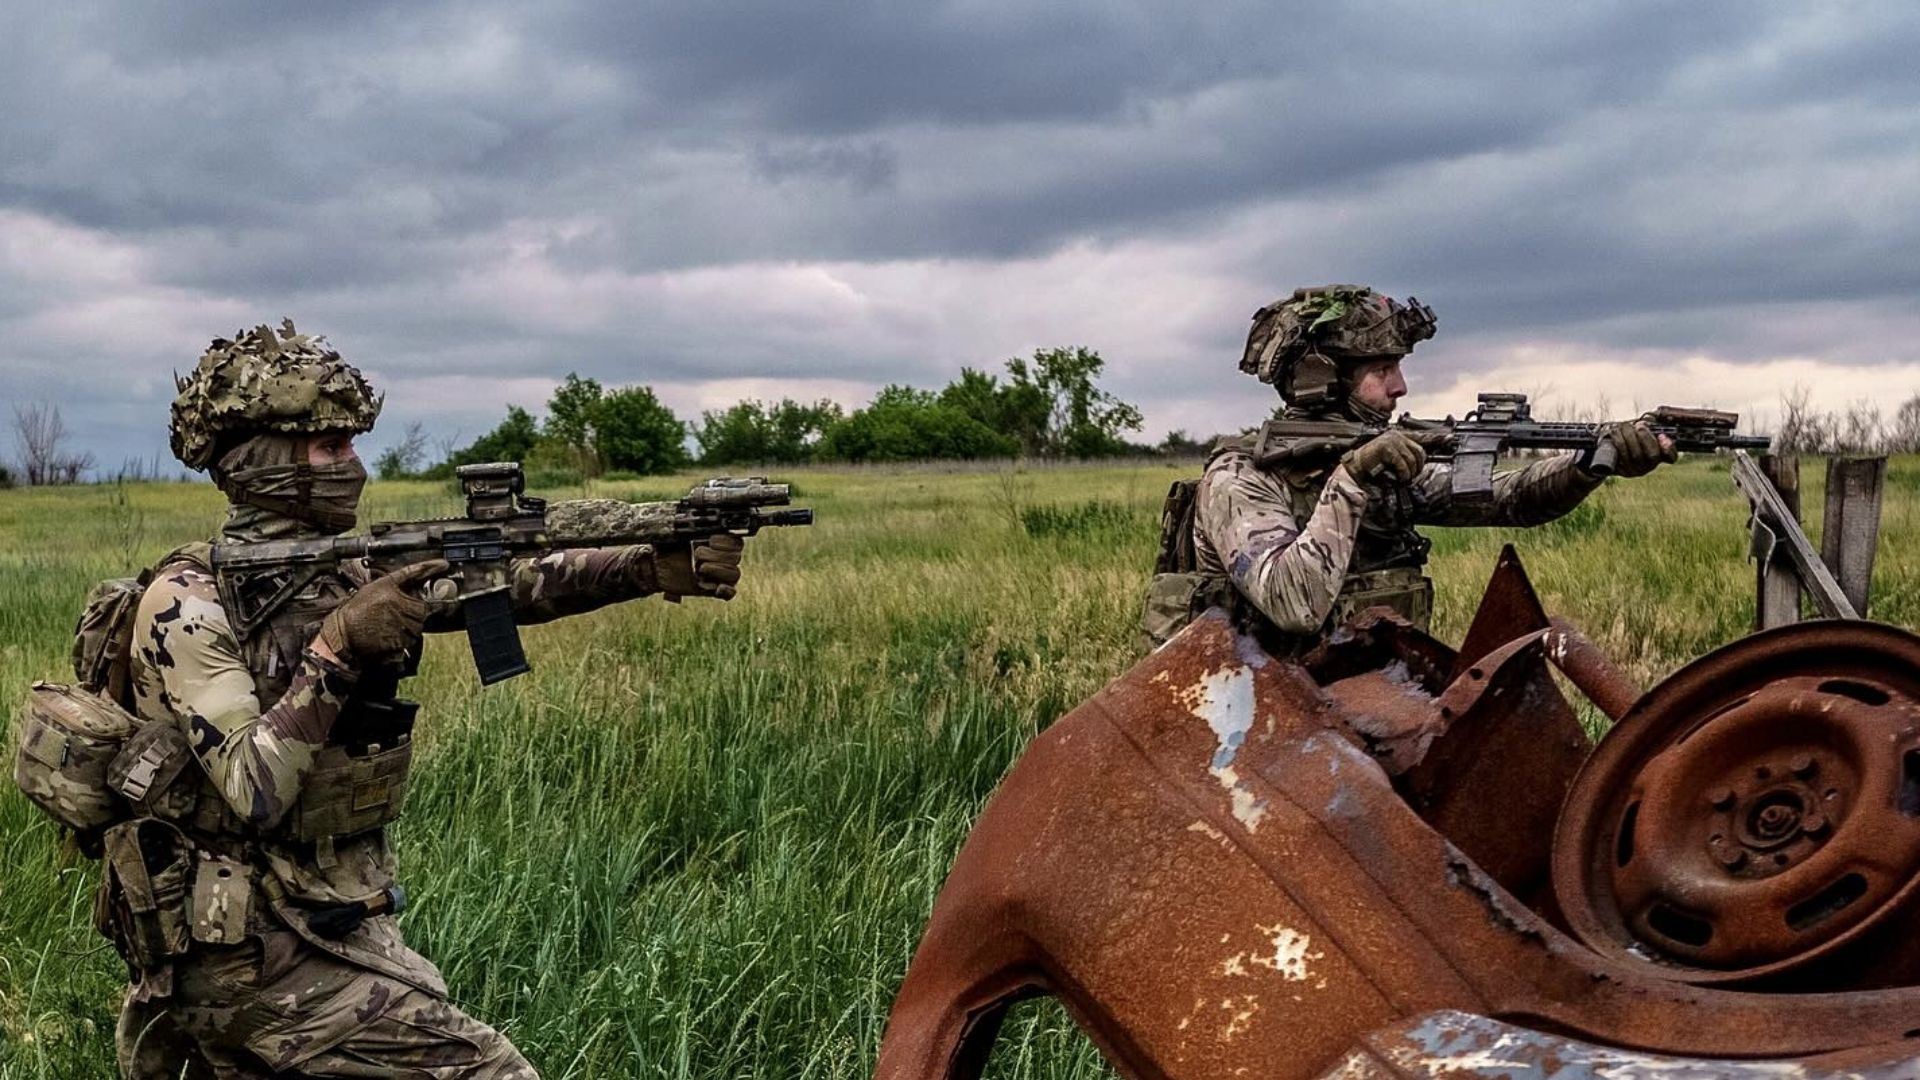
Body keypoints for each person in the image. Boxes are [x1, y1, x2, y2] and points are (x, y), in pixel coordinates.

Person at [106, 321, 743, 1078]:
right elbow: (254, 790)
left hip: (327, 923)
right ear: (264, 461)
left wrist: (646, 565)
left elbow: (513, 583)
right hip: (247, 955)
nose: (355, 466)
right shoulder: (186, 605)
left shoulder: (344, 569)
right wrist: (337, 653)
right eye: (330, 447)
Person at [1144, 285, 1673, 649]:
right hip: (1249, 715)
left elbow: (1510, 499)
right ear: (1321, 379)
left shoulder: (1384, 464)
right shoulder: (1241, 477)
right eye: (1382, 370)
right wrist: (1350, 480)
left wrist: (1591, 465)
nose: (1400, 387)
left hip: (1351, 694)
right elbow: (1293, 602)